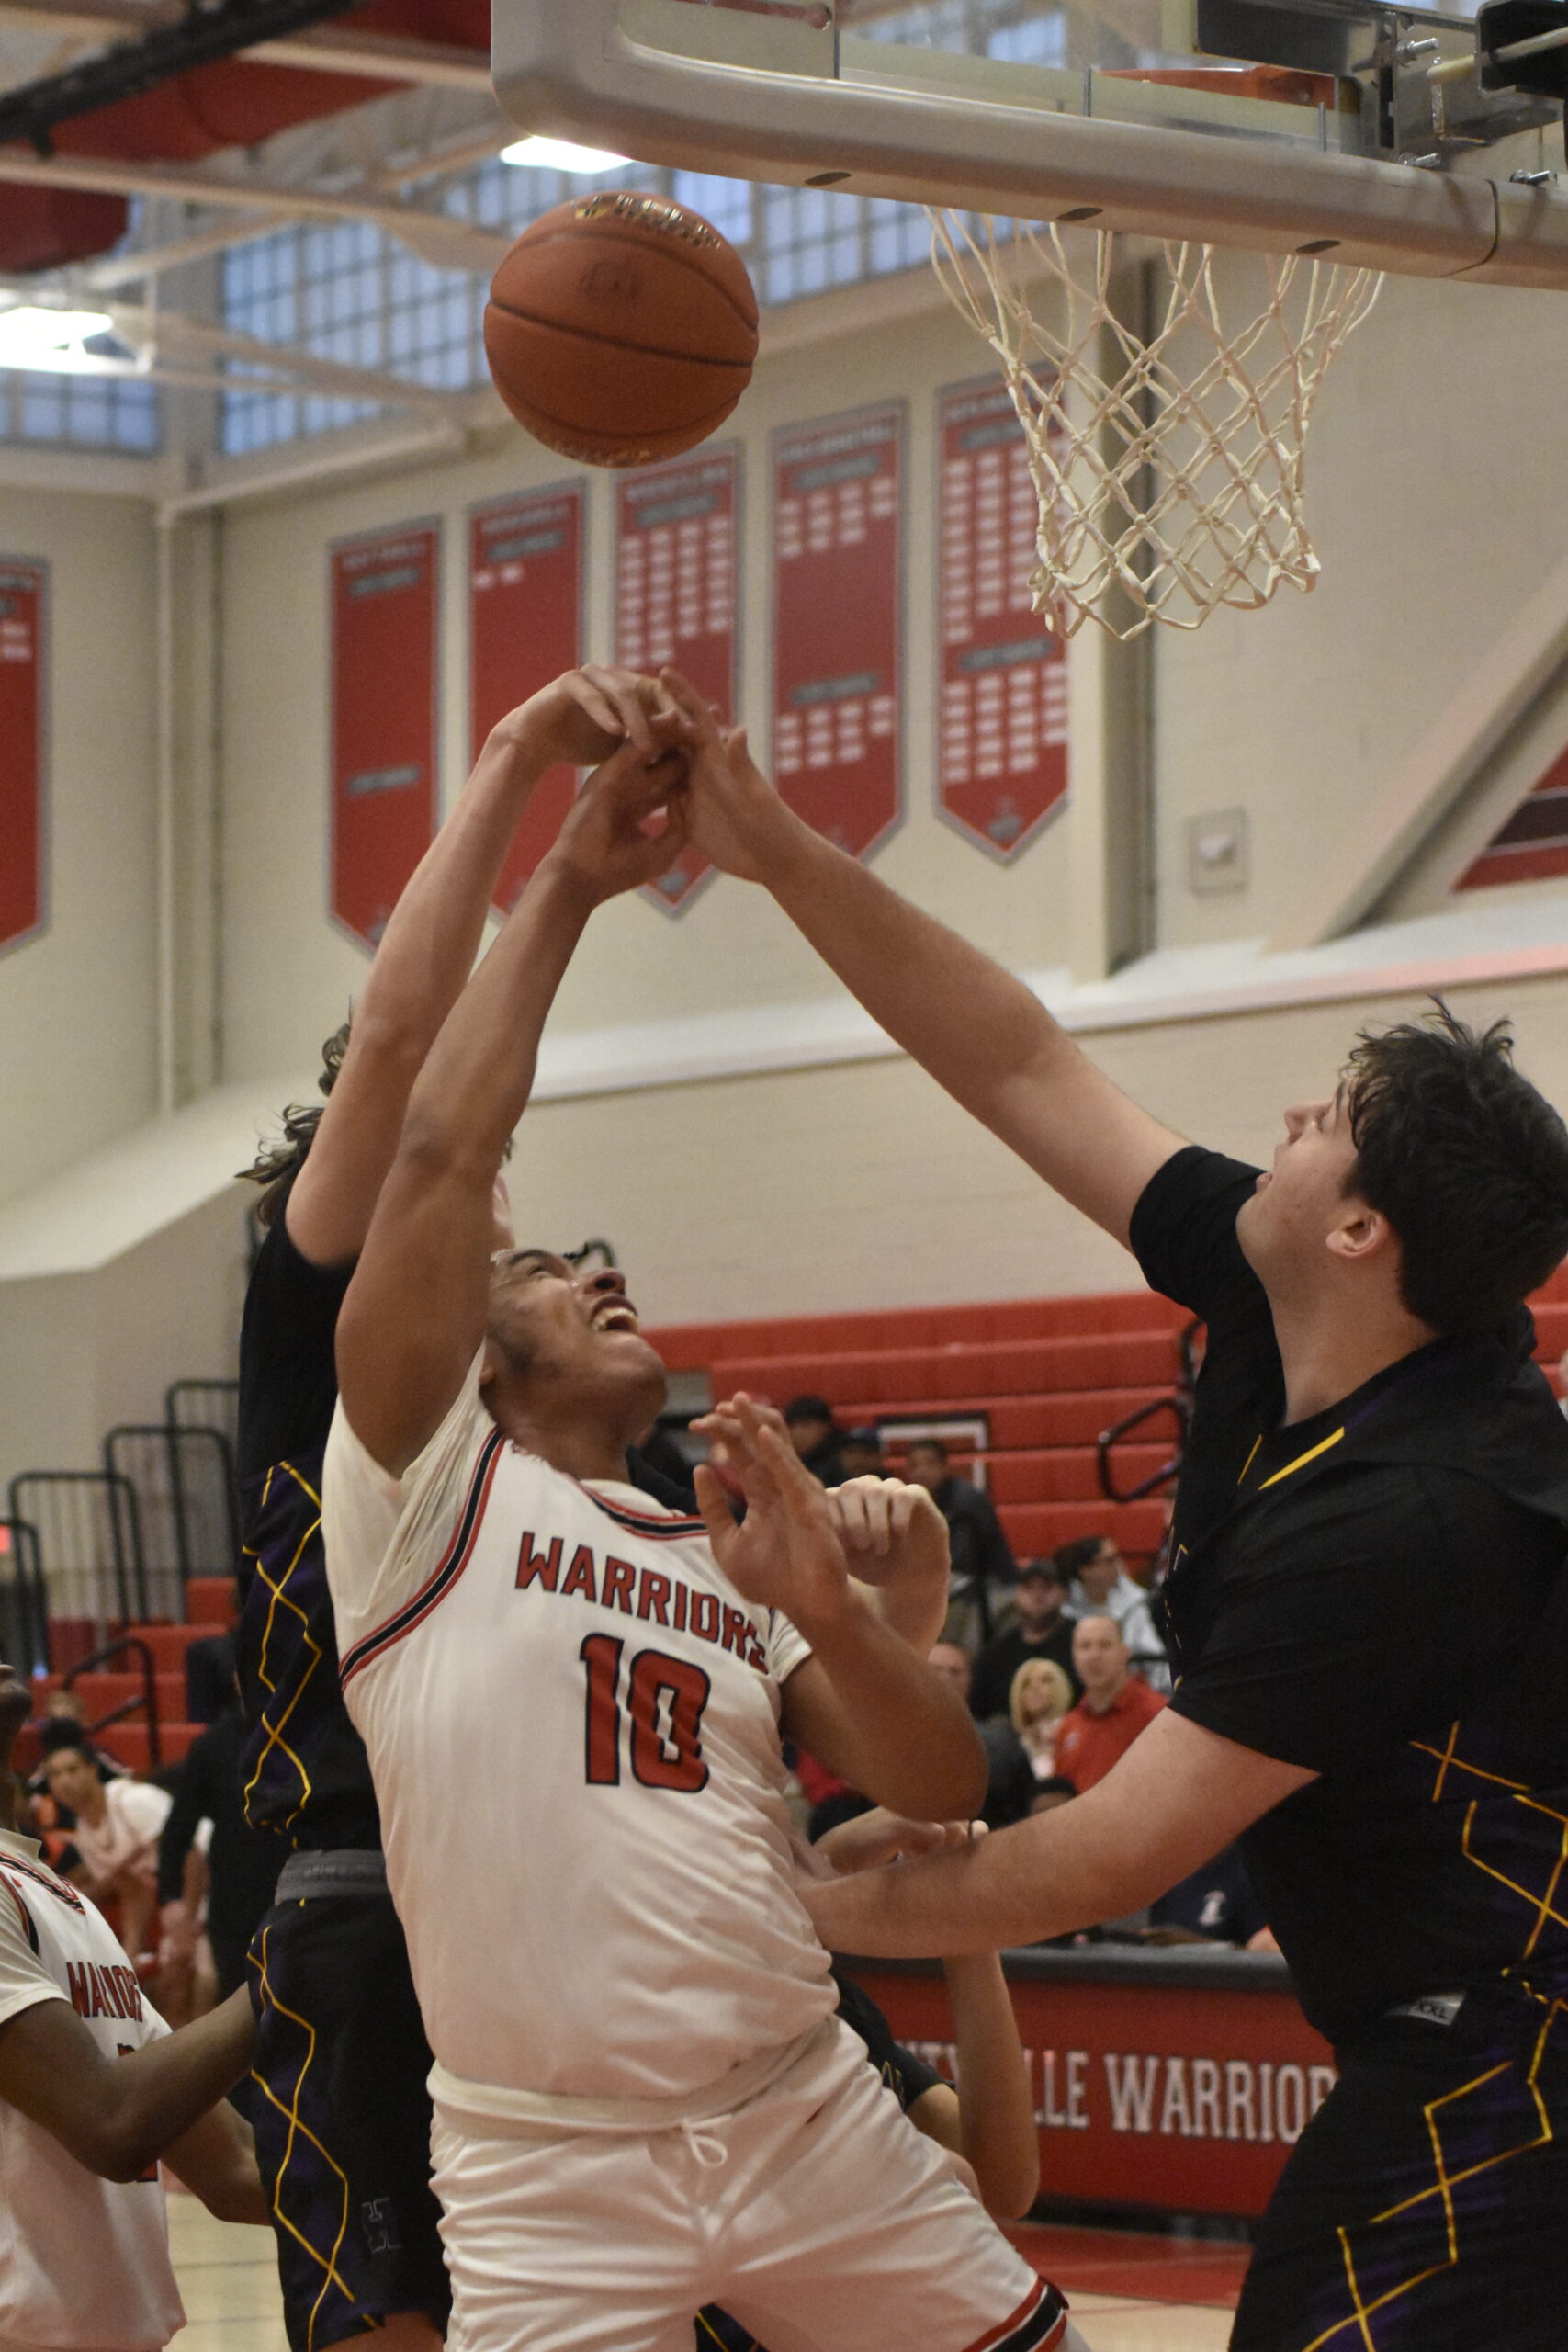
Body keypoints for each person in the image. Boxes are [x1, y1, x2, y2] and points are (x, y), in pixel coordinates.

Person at [668, 673, 1568, 2350]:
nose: (1288, 1120)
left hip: (1517, 2048)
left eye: (1327, 1122)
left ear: (1362, 1231)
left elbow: (1091, 1858)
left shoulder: (1412, 1515)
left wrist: (767, 1904)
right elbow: (1015, 1060)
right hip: (1461, 2036)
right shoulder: (1285, 1304)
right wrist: (775, 848)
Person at [321, 741, 1081, 2352]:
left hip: (800, 2108)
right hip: (545, 2162)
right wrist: (571, 884)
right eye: (548, 1276)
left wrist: (834, 1607)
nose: (604, 1281)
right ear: (477, 1343)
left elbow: (942, 1784)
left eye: (610, 1275)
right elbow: (440, 1154)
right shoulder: (419, 1491)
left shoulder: (724, 1550)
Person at [234, 664, 679, 2352]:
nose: (492, 1189)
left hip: (553, 1894)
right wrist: (509, 769)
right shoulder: (323, 1317)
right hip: (366, 1887)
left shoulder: (529, 1410)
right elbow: (414, 1055)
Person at [0, 1652, 266, 2352]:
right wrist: (292, 1964)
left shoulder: (53, 1892)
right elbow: (112, 2122)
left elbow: (234, 2165)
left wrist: (436, 2199)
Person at [42, 1738, 171, 1966]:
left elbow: (189, 1855)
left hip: (217, 1881)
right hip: (178, 1901)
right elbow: (131, 1890)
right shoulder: (83, 1834)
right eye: (55, 1774)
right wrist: (129, 1954)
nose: (65, 1781)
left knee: (203, 1977)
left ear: (93, 1770)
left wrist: (186, 1913)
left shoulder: (133, 1800)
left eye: (72, 1770)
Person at [904, 1439, 1015, 1643]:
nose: (922, 1472)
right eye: (914, 1465)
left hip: (983, 1589)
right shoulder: (907, 1503)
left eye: (930, 1464)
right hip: (941, 1591)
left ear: (945, 1467)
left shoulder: (967, 1502)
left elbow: (963, 1564)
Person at [1051, 1618, 1165, 1794]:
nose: (1094, 1655)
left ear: (1124, 1653)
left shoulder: (1158, 1714)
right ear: (1074, 1657)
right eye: (1085, 1646)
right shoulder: (1068, 1726)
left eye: (1104, 1645)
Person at [969, 1555, 1080, 1720]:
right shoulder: (997, 1651)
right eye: (1028, 1588)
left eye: (1046, 1588)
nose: (1037, 1596)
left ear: (1064, 1594)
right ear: (1016, 1595)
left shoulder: (1081, 1641)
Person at [1058, 1532, 1170, 1692]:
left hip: (1133, 1690)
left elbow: (1154, 1656)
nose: (1119, 1565)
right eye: (1110, 1560)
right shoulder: (1064, 1608)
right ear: (1086, 1569)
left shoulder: (1133, 1602)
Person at [1009, 1657, 1076, 1783]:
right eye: (1027, 1683)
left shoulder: (1072, 1734)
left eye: (1045, 1681)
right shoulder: (1014, 1743)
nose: (1035, 1687)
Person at [783, 1394, 847, 1487]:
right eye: (791, 1426)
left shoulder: (845, 1458)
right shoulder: (791, 1459)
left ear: (825, 1426)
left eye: (805, 1425)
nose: (796, 1433)